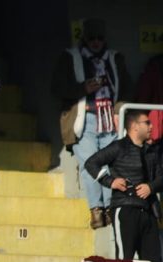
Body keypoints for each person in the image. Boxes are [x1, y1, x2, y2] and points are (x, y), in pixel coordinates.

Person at [52, 18, 131, 228]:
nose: (96, 42)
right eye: (91, 38)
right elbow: (57, 88)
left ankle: (110, 208)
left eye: (100, 38)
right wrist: (83, 88)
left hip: (110, 119)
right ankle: (96, 209)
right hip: (83, 119)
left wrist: (118, 110)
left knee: (111, 165)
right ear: (84, 38)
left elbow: (126, 89)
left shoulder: (114, 58)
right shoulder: (71, 57)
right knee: (90, 165)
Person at [84, 109, 162, 262]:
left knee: (153, 258)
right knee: (125, 257)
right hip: (125, 209)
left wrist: (151, 187)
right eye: (147, 123)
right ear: (134, 126)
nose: (151, 126)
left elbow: (161, 176)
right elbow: (91, 163)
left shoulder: (152, 150)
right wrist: (109, 181)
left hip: (148, 211)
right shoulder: (119, 147)